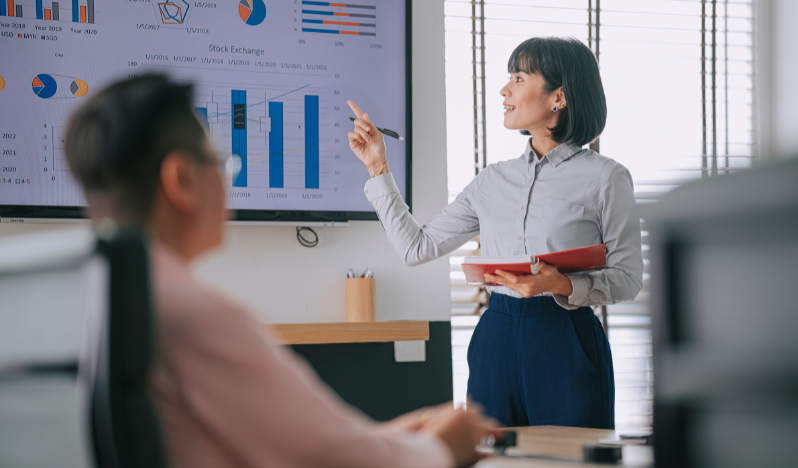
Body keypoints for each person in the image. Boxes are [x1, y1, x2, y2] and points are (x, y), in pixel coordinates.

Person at [64, 75, 495, 468]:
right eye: (218, 162)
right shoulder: (198, 316)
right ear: (182, 179)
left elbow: (309, 443)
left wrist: (386, 437)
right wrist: (443, 445)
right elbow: (331, 458)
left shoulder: (99, 296)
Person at [348, 36, 644, 429]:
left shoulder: (606, 178)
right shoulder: (492, 180)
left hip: (565, 341)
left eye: (519, 78)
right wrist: (378, 169)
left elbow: (628, 279)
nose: (505, 90)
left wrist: (563, 285)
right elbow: (415, 248)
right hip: (496, 338)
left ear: (559, 96)